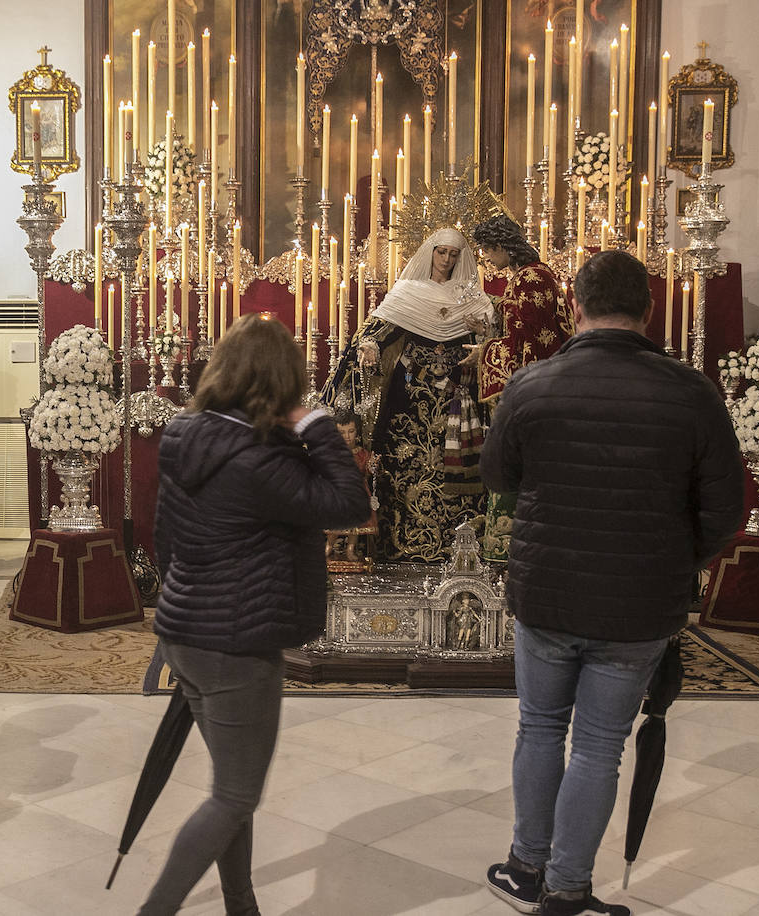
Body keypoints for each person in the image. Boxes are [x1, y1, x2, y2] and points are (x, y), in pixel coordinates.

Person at [481, 251, 744, 916]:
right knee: (600, 745)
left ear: (575, 305)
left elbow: (499, 477)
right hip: (640, 601)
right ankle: (567, 889)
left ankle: (524, 867)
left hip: (548, 590)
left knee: (539, 728)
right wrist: (679, 561)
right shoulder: (691, 392)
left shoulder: (532, 384)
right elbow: (724, 509)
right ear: (649, 310)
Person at [142, 313, 371, 915]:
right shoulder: (258, 460)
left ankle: (242, 906)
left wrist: (182, 608)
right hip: (235, 643)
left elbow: (165, 538)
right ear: (282, 383)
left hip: (188, 629)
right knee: (235, 796)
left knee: (230, 789)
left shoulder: (185, 435)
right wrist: (317, 425)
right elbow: (351, 503)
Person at [322, 227, 495, 562]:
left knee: (455, 464)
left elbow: (492, 339)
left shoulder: (470, 296)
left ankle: (456, 546)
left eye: (454, 254)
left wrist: (484, 332)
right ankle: (403, 542)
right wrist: (370, 345)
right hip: (410, 398)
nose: (446, 260)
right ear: (429, 252)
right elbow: (378, 329)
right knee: (407, 463)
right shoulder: (408, 291)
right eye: (441, 252)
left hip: (458, 398)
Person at [466, 215, 577, 562]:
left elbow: (530, 341)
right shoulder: (530, 276)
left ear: (501, 246)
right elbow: (524, 320)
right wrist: (494, 312)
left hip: (533, 390)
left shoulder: (531, 277)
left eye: (487, 250)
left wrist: (484, 352)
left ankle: (514, 544)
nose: (486, 258)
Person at [324, 410, 377, 562]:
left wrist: (372, 465)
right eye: (342, 432)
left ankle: (350, 549)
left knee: (356, 525)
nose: (347, 436)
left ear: (357, 432)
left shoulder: (362, 453)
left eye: (351, 431)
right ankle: (329, 545)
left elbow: (368, 469)